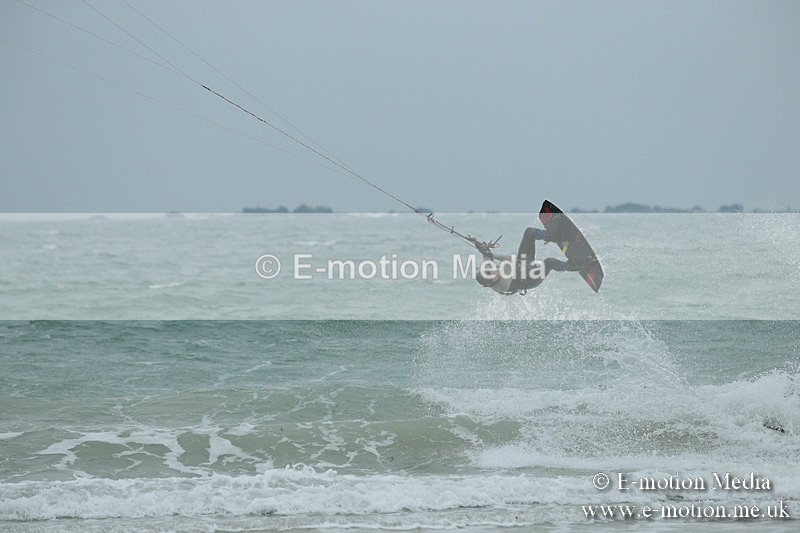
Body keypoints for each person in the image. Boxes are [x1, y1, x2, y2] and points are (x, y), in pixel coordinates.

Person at [474, 226, 581, 294]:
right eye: (493, 278)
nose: (496, 274)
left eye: (493, 272)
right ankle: (573, 266)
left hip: (524, 263)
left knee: (530, 232)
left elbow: (485, 254)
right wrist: (492, 254)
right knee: (550, 262)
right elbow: (508, 259)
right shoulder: (501, 286)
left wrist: (480, 246)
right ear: (490, 284)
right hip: (532, 278)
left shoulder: (487, 269)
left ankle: (552, 236)